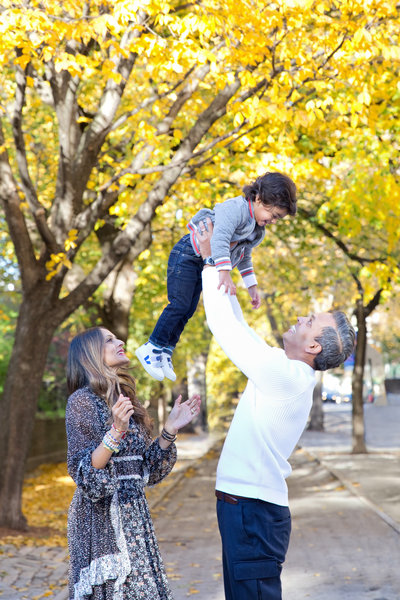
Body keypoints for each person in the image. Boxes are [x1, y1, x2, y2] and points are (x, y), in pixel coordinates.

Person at [197, 220, 355, 600]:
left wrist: (208, 260)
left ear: (315, 346)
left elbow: (225, 330)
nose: (301, 317)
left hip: (252, 514)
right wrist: (224, 265)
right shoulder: (285, 371)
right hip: (247, 511)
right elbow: (240, 327)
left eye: (310, 322)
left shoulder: (288, 377)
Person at [65, 326, 201, 600]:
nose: (120, 342)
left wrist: (170, 429)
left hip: (135, 517)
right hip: (101, 521)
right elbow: (85, 473)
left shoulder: (125, 399)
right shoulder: (81, 401)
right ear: (91, 354)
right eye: (110, 340)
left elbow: (146, 471)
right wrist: (115, 431)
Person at [136, 171, 297, 383]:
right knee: (179, 304)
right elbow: (219, 238)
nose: (273, 221)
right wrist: (224, 272)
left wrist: (252, 286)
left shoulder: (257, 230)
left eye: (278, 218)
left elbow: (244, 256)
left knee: (189, 309)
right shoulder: (236, 209)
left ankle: (166, 349)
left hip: (202, 262)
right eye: (273, 215)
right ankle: (152, 346)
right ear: (259, 199)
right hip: (186, 254)